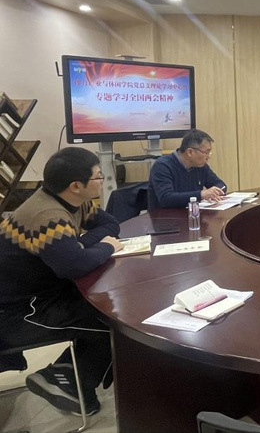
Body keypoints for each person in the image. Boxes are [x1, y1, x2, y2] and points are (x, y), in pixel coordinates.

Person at [0, 147, 124, 416]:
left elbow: (110, 225)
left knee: (106, 306)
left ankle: (63, 373)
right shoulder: (47, 216)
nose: (102, 181)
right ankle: (72, 384)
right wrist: (105, 248)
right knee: (112, 322)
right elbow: (73, 266)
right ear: (76, 185)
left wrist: (79, 246)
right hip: (18, 312)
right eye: (98, 176)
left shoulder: (73, 201)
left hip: (44, 292)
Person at [148, 129, 226, 210]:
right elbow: (166, 198)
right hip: (165, 216)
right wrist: (201, 195)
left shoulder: (200, 166)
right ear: (190, 152)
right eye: (206, 152)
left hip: (192, 214)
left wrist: (214, 192)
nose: (208, 156)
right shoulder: (163, 166)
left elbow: (220, 184)